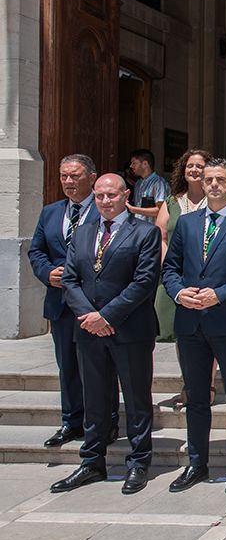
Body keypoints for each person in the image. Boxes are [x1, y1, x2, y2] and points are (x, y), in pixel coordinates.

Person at [162, 158, 226, 495]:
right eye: (209, 179)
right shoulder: (188, 224)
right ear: (202, 183)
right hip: (191, 323)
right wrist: (179, 293)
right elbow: (170, 269)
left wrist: (219, 295)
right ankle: (197, 462)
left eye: (221, 179)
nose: (214, 185)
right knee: (196, 398)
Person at [51, 174, 161, 495]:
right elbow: (70, 279)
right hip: (88, 330)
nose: (105, 201)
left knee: (137, 399)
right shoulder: (83, 233)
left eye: (111, 195)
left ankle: (139, 462)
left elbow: (143, 282)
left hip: (130, 331)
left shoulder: (144, 233)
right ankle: (91, 462)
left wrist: (107, 316)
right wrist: (89, 316)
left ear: (125, 195)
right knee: (95, 400)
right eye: (99, 196)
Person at [29, 154, 114, 449]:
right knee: (67, 365)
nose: (68, 181)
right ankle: (71, 420)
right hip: (62, 305)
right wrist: (47, 272)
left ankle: (107, 421)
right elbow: (36, 251)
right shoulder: (50, 213)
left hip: (95, 304)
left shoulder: (106, 209)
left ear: (91, 178)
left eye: (74, 176)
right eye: (64, 176)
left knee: (100, 366)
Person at [154, 149, 212, 408]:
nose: (195, 170)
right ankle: (189, 383)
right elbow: (161, 236)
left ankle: (207, 385)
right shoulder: (172, 202)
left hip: (210, 277)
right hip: (178, 277)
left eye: (200, 166)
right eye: (190, 166)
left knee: (209, 333)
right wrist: (171, 267)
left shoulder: (219, 200)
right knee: (183, 334)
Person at [127, 148, 169, 222]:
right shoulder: (138, 183)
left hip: (152, 229)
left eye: (134, 163)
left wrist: (133, 209)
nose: (131, 166)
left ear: (145, 164)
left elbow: (160, 210)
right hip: (138, 227)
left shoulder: (158, 183)